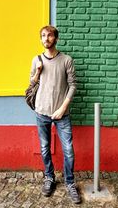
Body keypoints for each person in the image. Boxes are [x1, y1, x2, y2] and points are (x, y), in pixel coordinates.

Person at [30, 25, 81, 204]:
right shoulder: (36, 59)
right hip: (41, 111)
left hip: (62, 113)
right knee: (44, 148)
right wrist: (37, 71)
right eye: (43, 36)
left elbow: (73, 85)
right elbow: (32, 83)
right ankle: (49, 178)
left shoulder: (66, 60)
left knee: (68, 150)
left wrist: (63, 108)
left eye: (49, 35)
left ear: (56, 38)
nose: (46, 39)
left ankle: (69, 182)